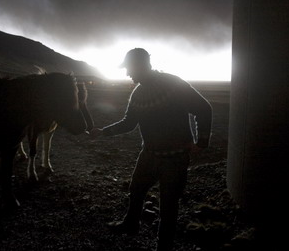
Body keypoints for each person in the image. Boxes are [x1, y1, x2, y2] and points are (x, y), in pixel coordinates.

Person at [89, 48, 212, 251]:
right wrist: (103, 132)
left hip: (175, 159)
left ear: (141, 65)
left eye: (129, 68)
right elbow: (129, 123)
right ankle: (131, 224)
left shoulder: (173, 84)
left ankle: (163, 247)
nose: (127, 73)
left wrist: (202, 142)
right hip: (149, 154)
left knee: (169, 206)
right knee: (136, 190)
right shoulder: (138, 94)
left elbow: (203, 108)